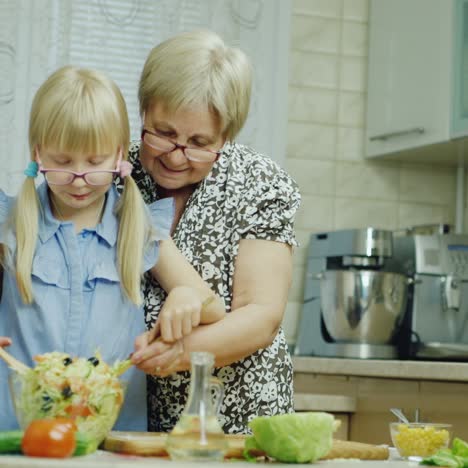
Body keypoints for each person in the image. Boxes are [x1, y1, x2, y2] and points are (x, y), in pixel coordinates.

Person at [0, 65, 225, 431]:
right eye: (61, 161)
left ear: (119, 155)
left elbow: (211, 305)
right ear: (38, 153)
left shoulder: (138, 226)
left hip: (113, 435)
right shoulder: (9, 223)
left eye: (95, 162)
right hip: (19, 434)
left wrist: (186, 294)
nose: (79, 178)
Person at [119, 30, 301, 434]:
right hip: (132, 421)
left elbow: (261, 316)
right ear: (145, 110)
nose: (176, 155)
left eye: (199, 142)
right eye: (164, 133)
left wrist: (178, 353)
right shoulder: (115, 175)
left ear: (226, 137)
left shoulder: (260, 183)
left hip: (239, 421)